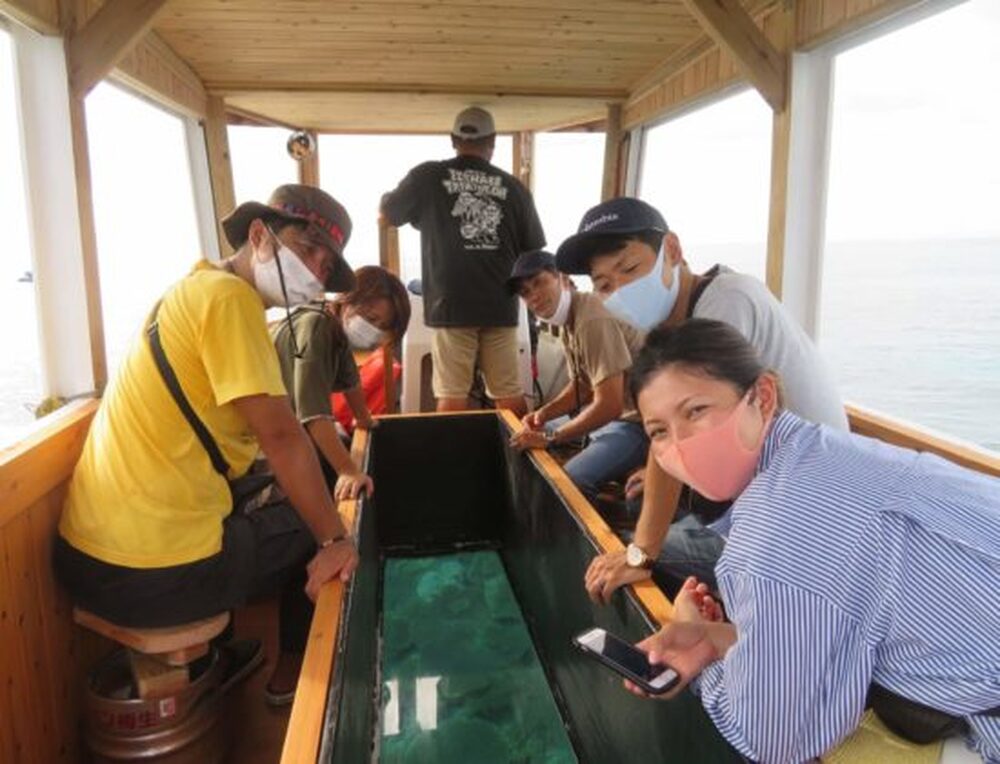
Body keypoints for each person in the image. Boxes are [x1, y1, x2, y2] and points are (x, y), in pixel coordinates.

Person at [620, 318, 1000, 763]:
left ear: (762, 397)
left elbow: (771, 737)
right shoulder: (823, 451)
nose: (680, 444)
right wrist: (713, 638)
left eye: (696, 411)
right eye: (659, 432)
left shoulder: (773, 537)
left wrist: (707, 670)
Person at [55, 185, 360, 706]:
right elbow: (282, 437)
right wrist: (335, 540)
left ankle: (218, 657)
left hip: (85, 558)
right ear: (259, 235)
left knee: (269, 493)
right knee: (323, 510)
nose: (316, 270)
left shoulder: (190, 290)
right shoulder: (230, 300)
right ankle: (299, 671)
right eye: (308, 249)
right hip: (156, 576)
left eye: (326, 265)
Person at [556, 197, 847, 599]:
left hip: (808, 513)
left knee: (630, 558)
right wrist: (657, 473)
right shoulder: (676, 319)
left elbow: (687, 422)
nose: (620, 290)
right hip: (759, 484)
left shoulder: (726, 303)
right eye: (604, 285)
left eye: (630, 269)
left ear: (672, 251)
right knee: (640, 502)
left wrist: (641, 554)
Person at [380, 106, 545, 416]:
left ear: (453, 139)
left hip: (450, 304)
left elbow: (389, 213)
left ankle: (453, 448)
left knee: (452, 394)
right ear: (492, 142)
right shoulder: (515, 189)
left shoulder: (427, 177)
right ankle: (521, 446)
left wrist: (394, 202)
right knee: (509, 393)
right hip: (500, 305)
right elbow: (533, 253)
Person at [506, 250, 647, 502]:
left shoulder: (592, 319)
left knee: (570, 483)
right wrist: (543, 414)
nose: (533, 296)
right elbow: (582, 384)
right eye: (525, 292)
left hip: (638, 424)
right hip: (616, 417)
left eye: (539, 282)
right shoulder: (569, 317)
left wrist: (549, 438)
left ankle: (617, 516)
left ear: (562, 278)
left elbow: (610, 405)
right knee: (527, 433)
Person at [271, 265, 411, 500]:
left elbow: (350, 382)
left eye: (382, 327)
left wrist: (364, 418)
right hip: (263, 435)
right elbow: (314, 415)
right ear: (347, 301)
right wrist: (348, 471)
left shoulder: (336, 330)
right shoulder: (317, 326)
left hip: (288, 423)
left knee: (342, 442)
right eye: (371, 319)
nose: (373, 330)